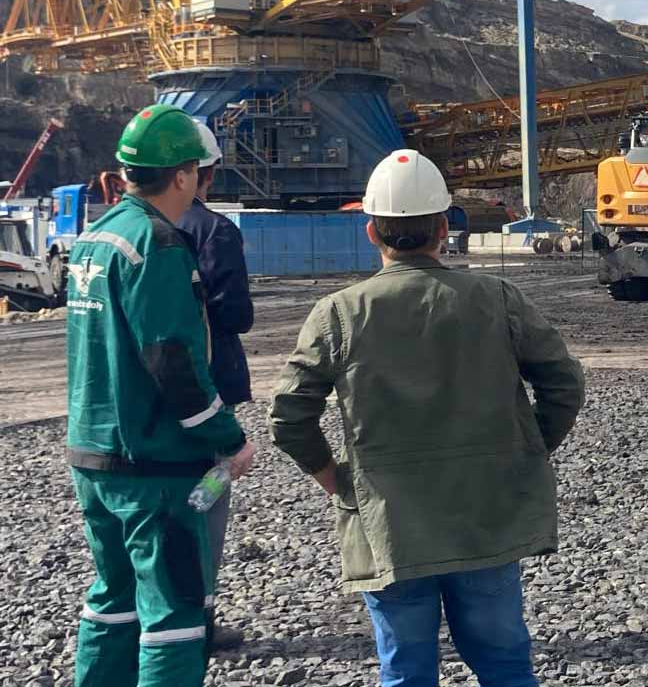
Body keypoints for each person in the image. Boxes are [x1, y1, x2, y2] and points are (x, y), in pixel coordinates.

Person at [270, 149, 584, 687]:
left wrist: (336, 481)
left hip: (389, 523)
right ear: (444, 227)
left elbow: (288, 416)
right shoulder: (497, 297)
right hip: (486, 513)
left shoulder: (339, 313)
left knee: (406, 670)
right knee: (505, 664)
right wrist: (525, 452)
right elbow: (564, 384)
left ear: (372, 231)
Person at [65, 104, 257, 687]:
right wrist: (229, 438)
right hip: (153, 462)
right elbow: (172, 360)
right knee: (174, 611)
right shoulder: (158, 245)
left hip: (92, 455)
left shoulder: (93, 239)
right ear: (183, 175)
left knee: (112, 597)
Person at [174, 122, 255, 652]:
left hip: (145, 402)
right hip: (207, 391)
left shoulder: (126, 230)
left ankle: (151, 616)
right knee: (207, 507)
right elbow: (236, 315)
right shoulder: (216, 231)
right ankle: (197, 622)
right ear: (209, 171)